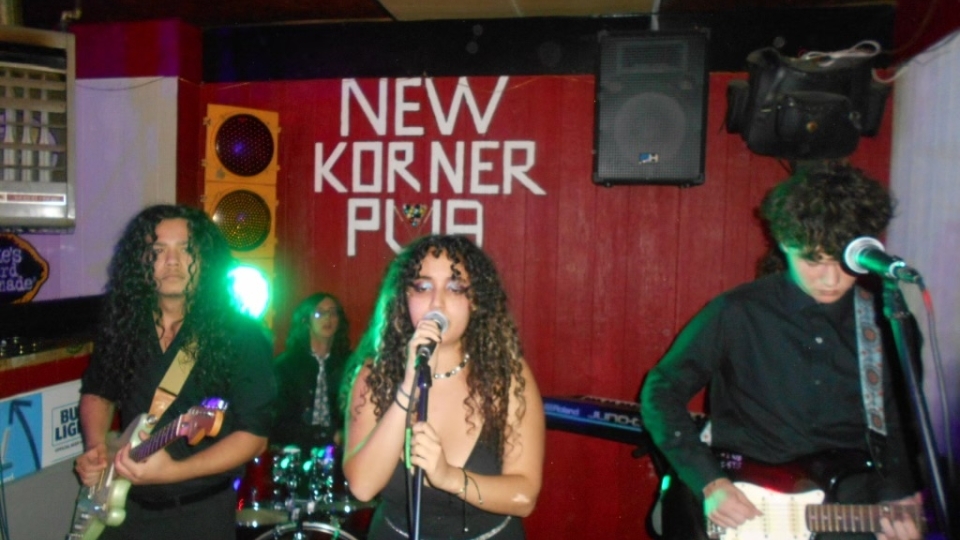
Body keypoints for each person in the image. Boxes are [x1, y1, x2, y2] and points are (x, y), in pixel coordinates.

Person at [640, 165, 923, 540]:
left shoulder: (887, 323)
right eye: (812, 261)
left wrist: (899, 494)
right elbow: (661, 391)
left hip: (849, 505)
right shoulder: (737, 312)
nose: (830, 279)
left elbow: (901, 423)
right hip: (746, 498)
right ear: (784, 245)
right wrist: (708, 481)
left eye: (842, 262)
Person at [74, 204, 277, 540]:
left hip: (197, 513)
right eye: (158, 250)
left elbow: (253, 439)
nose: (172, 261)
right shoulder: (124, 326)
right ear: (141, 260)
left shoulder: (241, 334)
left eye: (186, 249)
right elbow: (97, 391)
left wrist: (174, 471)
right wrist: (97, 450)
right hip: (120, 508)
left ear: (205, 260)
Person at [342, 234, 545, 539]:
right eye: (422, 288)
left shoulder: (507, 375)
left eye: (454, 287)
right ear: (404, 297)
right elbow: (362, 485)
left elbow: (524, 495)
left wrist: (450, 477)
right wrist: (408, 387)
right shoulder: (376, 373)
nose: (437, 302)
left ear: (475, 300)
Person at [271, 291, 351, 450]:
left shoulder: (349, 364)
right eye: (319, 313)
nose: (327, 318)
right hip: (296, 452)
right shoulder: (286, 366)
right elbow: (277, 423)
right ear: (306, 320)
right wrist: (326, 434)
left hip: (340, 454)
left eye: (333, 313)